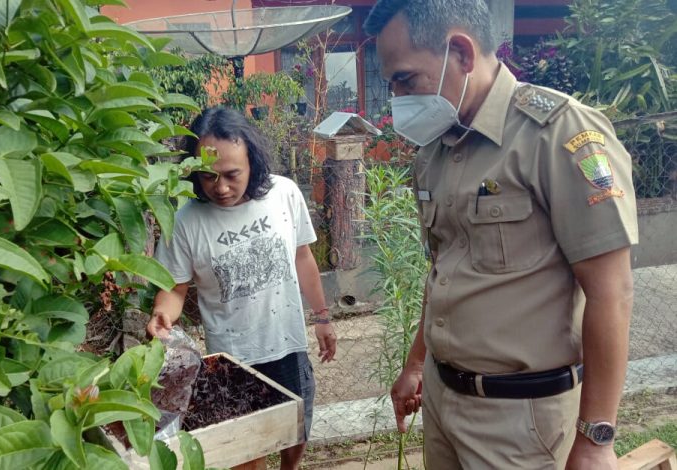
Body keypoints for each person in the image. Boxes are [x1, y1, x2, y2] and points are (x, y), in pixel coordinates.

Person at [363, 1, 638, 469]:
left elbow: (611, 292)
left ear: (463, 54)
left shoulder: (556, 134)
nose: (397, 97)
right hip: (443, 400)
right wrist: (415, 364)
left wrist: (596, 439)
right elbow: (444, 268)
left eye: (406, 79)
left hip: (520, 420)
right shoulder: (435, 148)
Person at [146, 106, 336, 470]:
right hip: (233, 359)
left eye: (232, 175)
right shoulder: (186, 220)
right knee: (245, 454)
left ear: (252, 161)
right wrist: (162, 314)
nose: (220, 187)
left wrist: (323, 316)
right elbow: (175, 288)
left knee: (296, 432)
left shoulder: (285, 194)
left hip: (287, 345)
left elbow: (303, 258)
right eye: (207, 177)